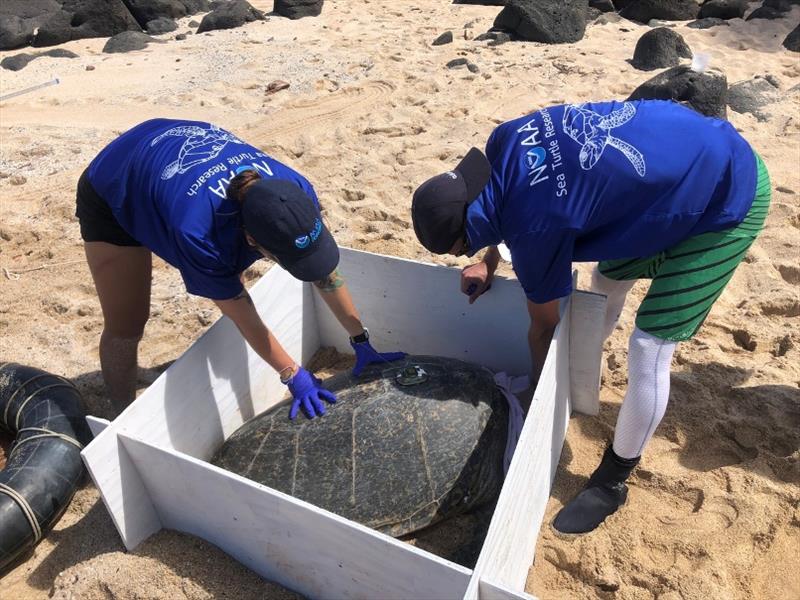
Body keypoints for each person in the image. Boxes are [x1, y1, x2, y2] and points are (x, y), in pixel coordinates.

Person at [410, 99, 770, 534]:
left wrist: (540, 403)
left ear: (460, 242)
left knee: (649, 347)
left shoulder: (535, 231)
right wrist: (490, 260)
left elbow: (543, 327)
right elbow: (515, 204)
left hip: (730, 196)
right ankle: (586, 373)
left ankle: (613, 479)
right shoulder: (506, 137)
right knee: (605, 282)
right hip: (680, 159)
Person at [77, 118, 405, 419]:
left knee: (250, 268)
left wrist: (361, 340)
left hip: (170, 143)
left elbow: (327, 275)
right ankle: (119, 417)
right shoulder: (199, 235)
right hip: (117, 179)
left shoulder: (294, 189)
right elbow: (239, 311)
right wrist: (292, 374)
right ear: (250, 239)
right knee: (127, 324)